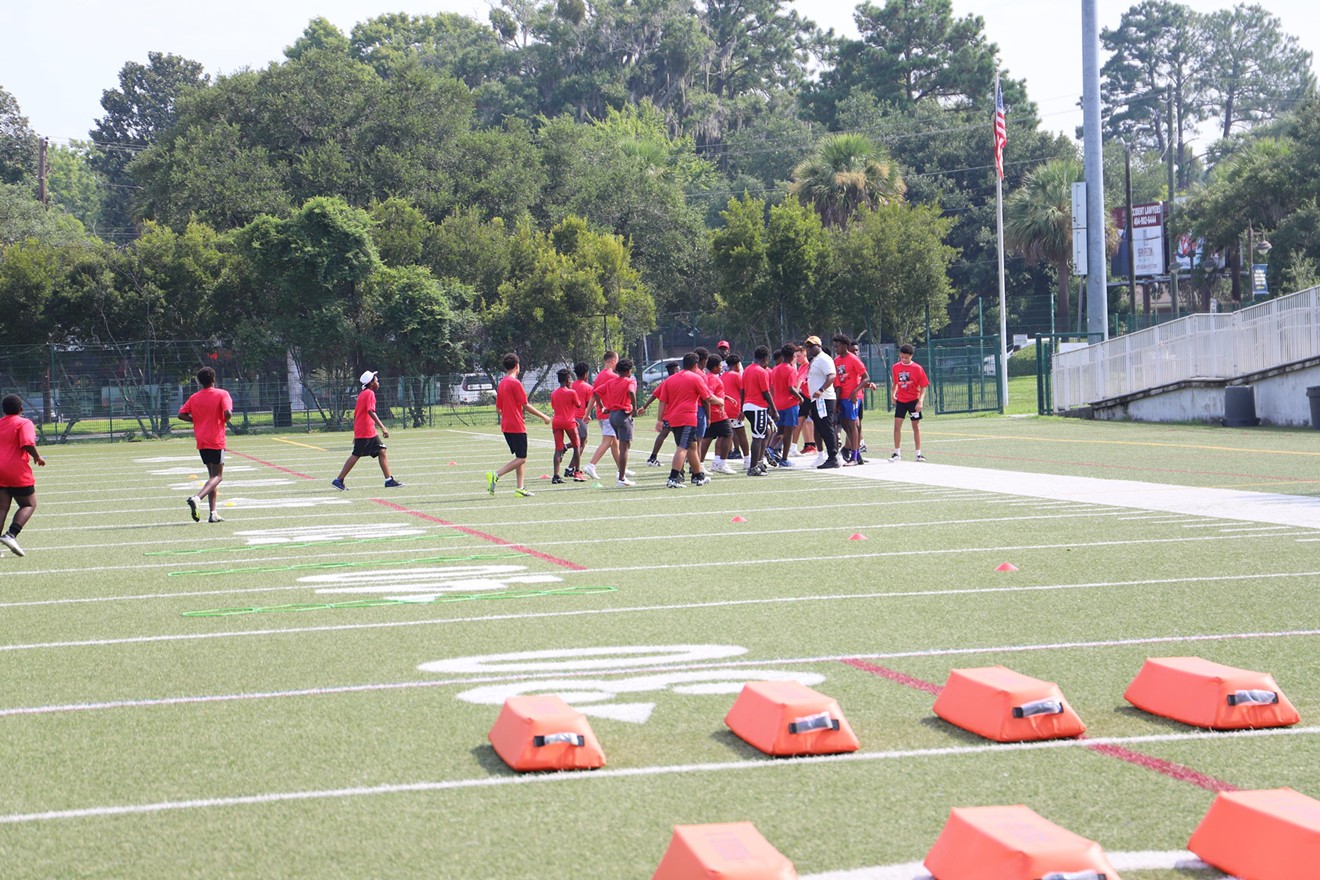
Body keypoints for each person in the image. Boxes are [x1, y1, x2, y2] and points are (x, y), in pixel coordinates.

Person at [486, 353, 551, 497]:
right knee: (522, 458)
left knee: (519, 457)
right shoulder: (515, 383)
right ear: (517, 366)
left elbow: (498, 409)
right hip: (516, 425)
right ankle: (496, 474)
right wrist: (544, 416)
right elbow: (525, 405)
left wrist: (508, 414)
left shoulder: (502, 383)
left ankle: (520, 488)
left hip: (506, 425)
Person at [179, 366, 236, 522]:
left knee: (212, 477)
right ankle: (197, 498)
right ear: (214, 379)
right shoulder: (222, 394)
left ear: (199, 382)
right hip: (216, 439)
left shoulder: (194, 397)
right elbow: (227, 413)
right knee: (218, 476)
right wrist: (226, 418)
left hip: (202, 439)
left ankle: (213, 513)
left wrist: (196, 420)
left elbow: (181, 414)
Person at [654, 352, 720, 488]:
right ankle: (673, 478)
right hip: (687, 418)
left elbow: (662, 401)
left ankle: (698, 476)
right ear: (696, 365)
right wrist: (721, 402)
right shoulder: (696, 378)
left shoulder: (670, 379)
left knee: (692, 447)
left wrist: (660, 420)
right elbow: (708, 397)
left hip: (674, 418)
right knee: (682, 448)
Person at [332, 370, 402, 492]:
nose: (378, 382)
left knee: (382, 450)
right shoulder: (369, 393)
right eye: (376, 380)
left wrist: (355, 433)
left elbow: (356, 414)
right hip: (366, 430)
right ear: (371, 383)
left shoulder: (363, 393)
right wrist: (383, 427)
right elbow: (370, 411)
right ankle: (339, 480)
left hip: (367, 430)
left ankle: (389, 480)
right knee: (356, 454)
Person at [0, 394, 46, 556]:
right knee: (29, 504)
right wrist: (37, 457)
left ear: (3, 410)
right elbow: (27, 442)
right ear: (21, 409)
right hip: (15, 470)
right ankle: (11, 535)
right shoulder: (24, 422)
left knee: (2, 508)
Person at [833, 334, 870, 465]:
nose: (836, 349)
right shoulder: (836, 361)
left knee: (853, 424)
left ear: (845, 346)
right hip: (842, 397)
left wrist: (855, 391)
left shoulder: (853, 359)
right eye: (835, 346)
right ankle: (856, 454)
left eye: (837, 346)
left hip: (853, 397)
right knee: (845, 424)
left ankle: (854, 456)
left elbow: (866, 377)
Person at [600, 358, 638, 486]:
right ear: (629, 371)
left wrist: (603, 407)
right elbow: (631, 391)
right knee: (624, 448)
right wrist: (634, 407)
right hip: (623, 415)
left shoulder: (611, 382)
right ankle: (621, 478)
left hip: (612, 416)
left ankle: (621, 473)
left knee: (624, 446)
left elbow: (595, 392)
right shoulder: (629, 381)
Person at [739, 346, 777, 475]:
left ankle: (759, 461)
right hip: (757, 406)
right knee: (758, 437)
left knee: (766, 431)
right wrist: (774, 409)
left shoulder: (747, 370)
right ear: (765, 359)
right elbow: (766, 392)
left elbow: (742, 390)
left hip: (748, 406)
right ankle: (753, 467)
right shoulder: (761, 371)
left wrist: (741, 408)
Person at [804, 336, 840, 469]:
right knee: (820, 428)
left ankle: (833, 456)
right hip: (817, 400)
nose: (809, 349)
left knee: (826, 427)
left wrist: (821, 389)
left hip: (825, 398)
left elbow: (832, 375)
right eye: (807, 347)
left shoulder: (824, 359)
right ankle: (828, 455)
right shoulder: (815, 360)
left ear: (819, 346)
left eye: (812, 346)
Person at [889, 343, 930, 462]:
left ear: (911, 356)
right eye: (902, 357)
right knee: (897, 426)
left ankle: (918, 454)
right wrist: (893, 395)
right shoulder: (895, 367)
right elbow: (895, 383)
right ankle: (897, 453)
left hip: (913, 401)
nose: (904, 360)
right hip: (901, 401)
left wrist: (920, 401)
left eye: (906, 357)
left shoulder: (917, 368)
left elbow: (923, 386)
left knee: (915, 426)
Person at [583, 350, 620, 480]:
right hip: (608, 414)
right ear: (613, 361)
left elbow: (594, 395)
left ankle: (622, 468)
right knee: (607, 441)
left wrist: (587, 414)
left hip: (601, 413)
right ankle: (591, 465)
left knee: (614, 442)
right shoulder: (613, 377)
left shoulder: (600, 376)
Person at [699, 353, 736, 474]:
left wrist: (725, 397)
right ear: (715, 367)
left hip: (713, 412)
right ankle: (721, 463)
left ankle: (700, 464)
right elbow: (708, 394)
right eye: (720, 365)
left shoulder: (709, 377)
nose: (722, 367)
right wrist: (720, 404)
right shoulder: (713, 378)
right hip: (716, 412)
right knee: (728, 434)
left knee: (708, 438)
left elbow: (712, 392)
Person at [639, 360, 680, 466]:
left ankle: (653, 457)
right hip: (676, 414)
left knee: (664, 435)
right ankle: (682, 458)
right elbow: (655, 395)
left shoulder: (665, 382)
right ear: (675, 370)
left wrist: (644, 407)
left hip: (667, 415)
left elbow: (654, 395)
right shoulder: (677, 381)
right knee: (680, 437)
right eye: (678, 369)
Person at [770, 343, 805, 467]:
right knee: (789, 432)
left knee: (779, 430)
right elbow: (791, 388)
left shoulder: (775, 369)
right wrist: (800, 397)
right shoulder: (791, 370)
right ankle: (784, 459)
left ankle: (769, 448)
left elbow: (773, 387)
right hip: (790, 404)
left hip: (778, 403)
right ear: (792, 356)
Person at [549, 368, 583, 484]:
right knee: (577, 445)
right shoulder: (572, 392)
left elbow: (555, 407)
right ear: (568, 379)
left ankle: (555, 476)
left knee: (558, 449)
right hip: (569, 422)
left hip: (557, 422)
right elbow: (578, 405)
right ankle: (577, 472)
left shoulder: (553, 393)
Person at [721, 353, 749, 461]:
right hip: (735, 408)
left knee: (726, 435)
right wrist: (742, 410)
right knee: (741, 433)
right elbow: (743, 392)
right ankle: (747, 459)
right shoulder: (737, 375)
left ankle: (722, 458)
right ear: (738, 364)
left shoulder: (723, 375)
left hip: (724, 409)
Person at [569, 362, 593, 481]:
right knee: (581, 443)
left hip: (570, 417)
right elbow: (589, 404)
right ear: (585, 374)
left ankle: (570, 467)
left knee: (578, 442)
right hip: (580, 417)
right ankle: (571, 468)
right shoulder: (588, 387)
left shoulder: (571, 385)